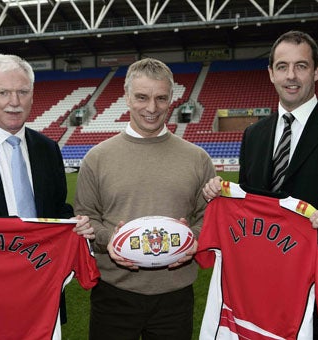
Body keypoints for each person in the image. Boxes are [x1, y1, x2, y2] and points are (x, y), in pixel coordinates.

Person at [74, 57, 216, 340]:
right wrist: (110, 240)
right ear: (126, 97)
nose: (151, 108)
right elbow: (86, 219)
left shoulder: (198, 158)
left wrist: (193, 240)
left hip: (175, 297)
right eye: (141, 97)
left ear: (171, 99)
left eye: (161, 98)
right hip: (114, 294)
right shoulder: (97, 158)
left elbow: (210, 217)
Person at [0, 54, 94, 325]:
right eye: (3, 92)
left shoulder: (48, 149)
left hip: (40, 292)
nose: (14, 102)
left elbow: (55, 210)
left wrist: (74, 223)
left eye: (22, 92)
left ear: (32, 95)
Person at [202, 30, 318, 338]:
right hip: (261, 289)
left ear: (317, 70)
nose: (291, 76)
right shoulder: (254, 135)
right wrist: (220, 195)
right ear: (270, 73)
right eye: (282, 66)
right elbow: (248, 206)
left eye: (301, 66)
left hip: (317, 286)